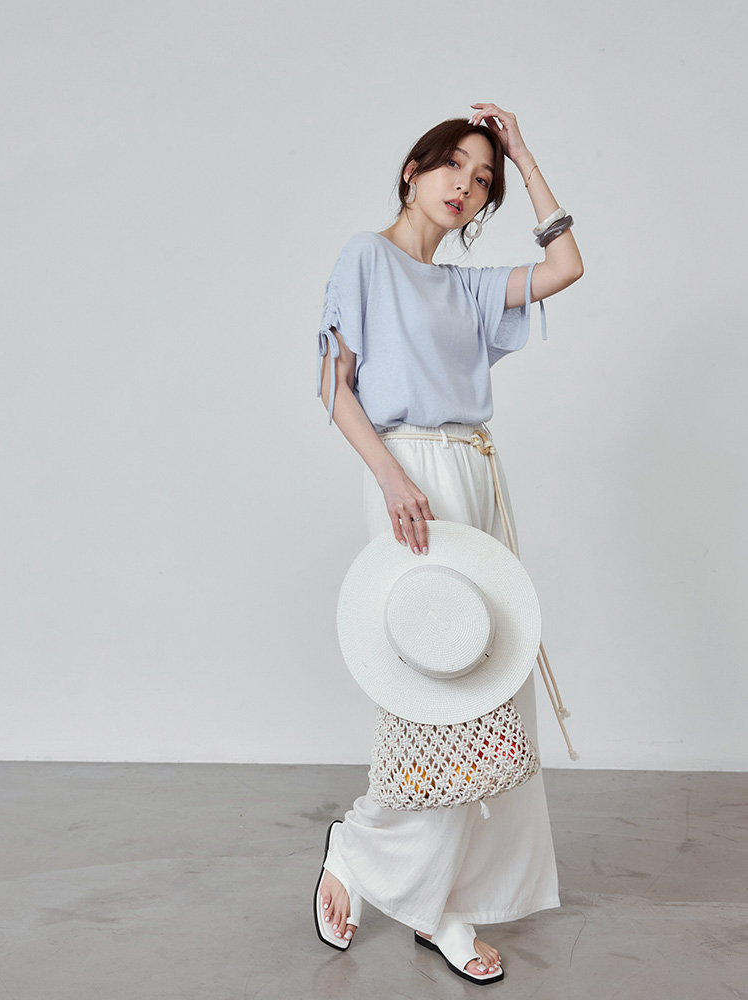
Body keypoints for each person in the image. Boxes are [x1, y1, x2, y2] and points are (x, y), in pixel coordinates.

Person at [314, 102, 583, 983]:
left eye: (482, 178)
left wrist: (524, 155)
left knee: (491, 695)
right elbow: (335, 386)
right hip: (408, 479)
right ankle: (375, 854)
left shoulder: (465, 287)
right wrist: (394, 479)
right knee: (436, 689)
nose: (465, 185)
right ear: (413, 170)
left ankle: (440, 897)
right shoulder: (365, 257)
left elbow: (567, 266)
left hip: (477, 479)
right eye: (452, 165)